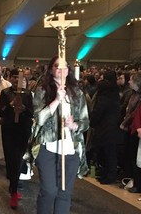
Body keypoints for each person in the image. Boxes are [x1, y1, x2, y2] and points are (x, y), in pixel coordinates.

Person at [32, 56, 89, 214]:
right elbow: (38, 118)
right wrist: (56, 100)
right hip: (48, 147)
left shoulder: (77, 92)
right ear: (51, 69)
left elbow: (85, 121)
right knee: (49, 190)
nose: (60, 69)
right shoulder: (42, 90)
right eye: (56, 66)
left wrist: (74, 125)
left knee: (64, 194)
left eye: (64, 67)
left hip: (71, 149)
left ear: (69, 70)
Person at [0, 68, 33, 209]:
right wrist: (10, 105)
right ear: (10, 78)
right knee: (10, 158)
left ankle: (14, 189)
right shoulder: (5, 92)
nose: (17, 80)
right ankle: (13, 186)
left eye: (21, 78)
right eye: (14, 77)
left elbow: (32, 112)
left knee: (19, 158)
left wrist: (23, 107)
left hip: (23, 130)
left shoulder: (28, 93)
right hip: (9, 130)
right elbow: (0, 112)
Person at [120, 71, 141, 194]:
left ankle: (139, 184)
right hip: (129, 128)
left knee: (135, 157)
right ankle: (132, 180)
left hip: (136, 128)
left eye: (131, 80)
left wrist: (124, 123)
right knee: (130, 156)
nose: (129, 81)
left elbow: (135, 113)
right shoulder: (133, 94)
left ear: (138, 82)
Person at [89, 70, 120, 184]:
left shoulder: (106, 94)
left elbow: (99, 111)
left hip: (106, 127)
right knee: (106, 153)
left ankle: (109, 175)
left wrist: (92, 121)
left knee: (108, 153)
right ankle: (105, 173)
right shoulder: (113, 93)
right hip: (108, 127)